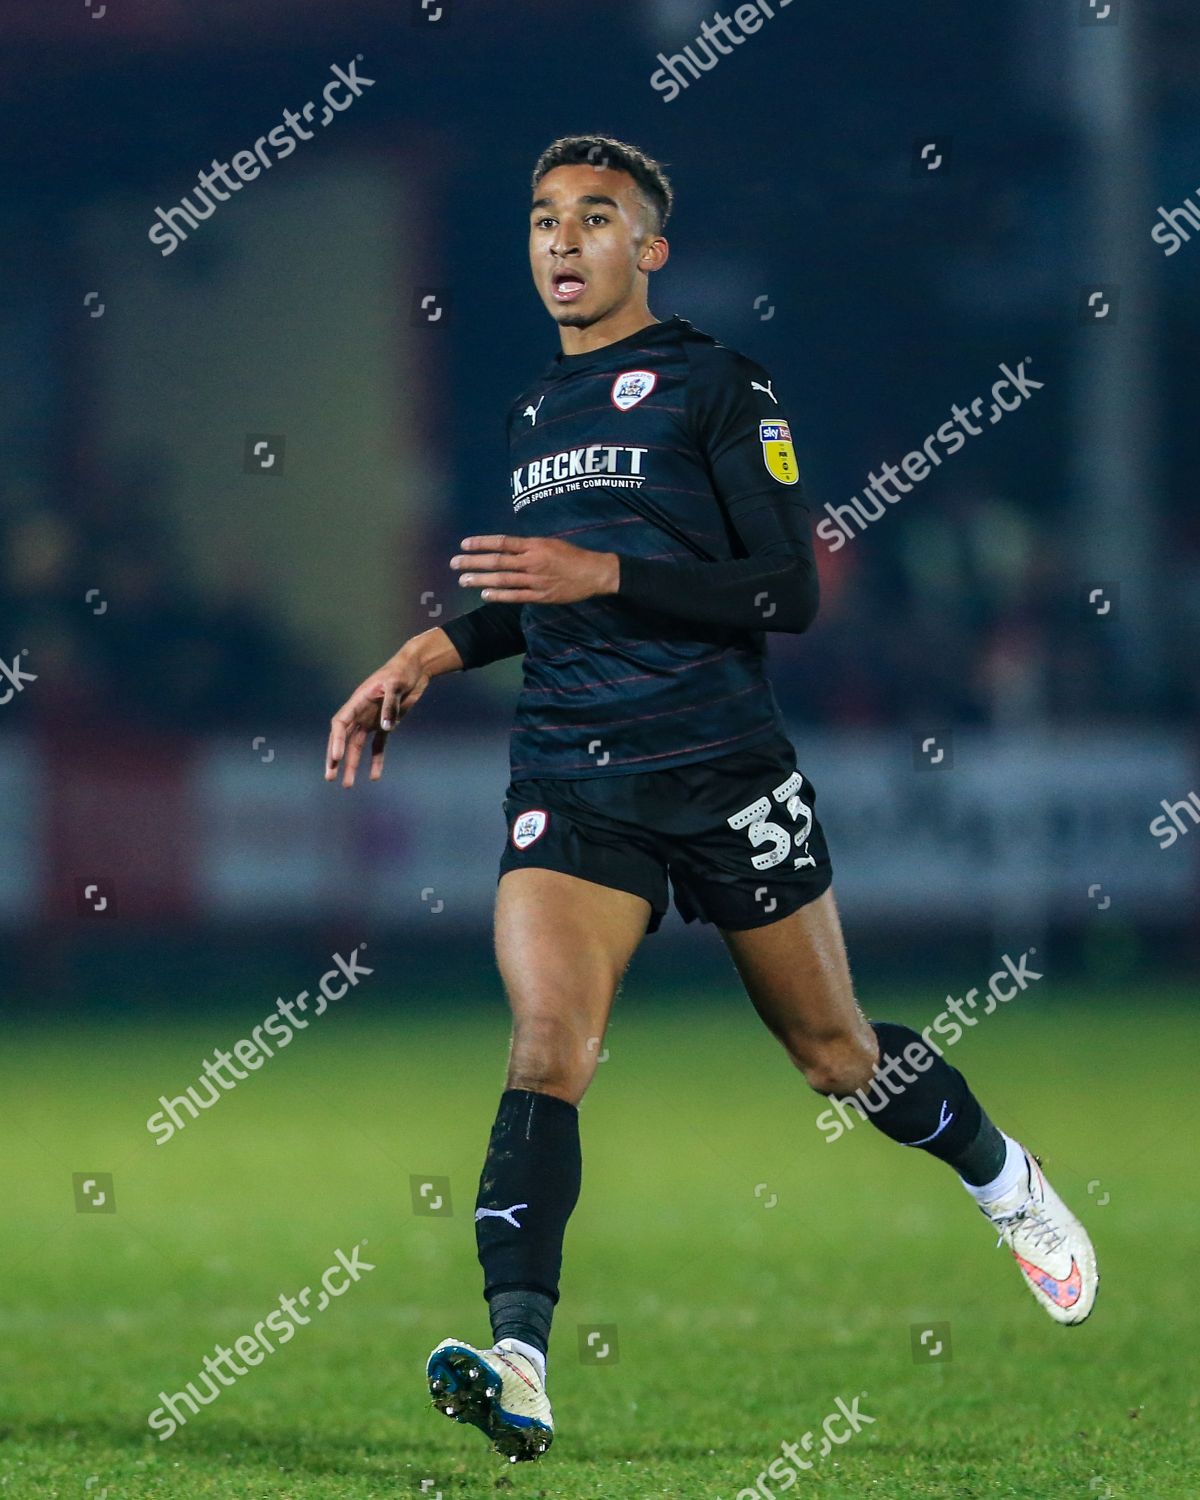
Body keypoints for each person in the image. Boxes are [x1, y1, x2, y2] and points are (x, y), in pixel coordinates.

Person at [325, 134, 1097, 1465]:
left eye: (596, 219)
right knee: (545, 1049)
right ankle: (520, 1359)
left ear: (648, 247)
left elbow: (784, 593)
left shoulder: (719, 388)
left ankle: (1001, 1175)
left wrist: (601, 579)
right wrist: (428, 651)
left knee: (836, 1057)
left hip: (723, 769)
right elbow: (538, 597)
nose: (563, 242)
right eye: (544, 219)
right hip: (571, 780)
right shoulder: (532, 414)